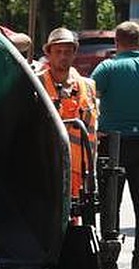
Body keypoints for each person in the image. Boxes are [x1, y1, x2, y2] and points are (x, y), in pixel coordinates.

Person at [91, 21, 139, 269]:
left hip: (113, 143)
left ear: (116, 42)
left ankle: (110, 262)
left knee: (110, 202)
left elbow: (91, 95)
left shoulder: (107, 69)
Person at [37, 26, 98, 211]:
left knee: (75, 222)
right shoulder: (36, 84)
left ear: (74, 54)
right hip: (46, 168)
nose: (63, 56)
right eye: (58, 52)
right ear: (49, 54)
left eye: (67, 52)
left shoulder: (88, 86)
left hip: (79, 170)